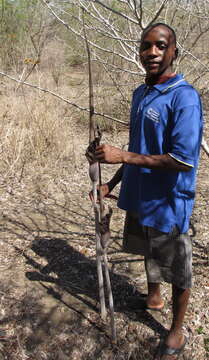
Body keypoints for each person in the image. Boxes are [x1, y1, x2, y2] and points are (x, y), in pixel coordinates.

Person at [89, 23, 203, 360]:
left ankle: (177, 331)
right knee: (145, 248)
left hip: (169, 203)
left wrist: (122, 155)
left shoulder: (185, 98)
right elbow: (141, 148)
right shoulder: (142, 93)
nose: (152, 52)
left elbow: (182, 161)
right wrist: (112, 181)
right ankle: (153, 297)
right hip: (139, 196)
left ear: (173, 52)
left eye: (160, 45)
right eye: (146, 46)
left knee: (177, 269)